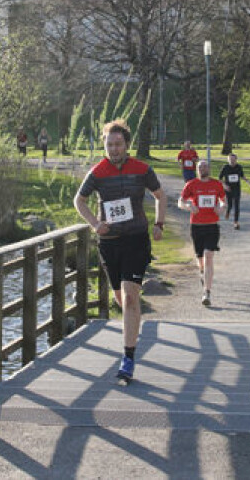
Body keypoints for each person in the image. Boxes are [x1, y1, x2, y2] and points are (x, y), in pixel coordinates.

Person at [74, 119, 166, 381]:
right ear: (104, 145)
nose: (113, 149)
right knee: (120, 298)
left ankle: (128, 357)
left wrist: (159, 224)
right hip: (110, 242)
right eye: (109, 144)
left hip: (136, 239)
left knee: (129, 297)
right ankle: (133, 324)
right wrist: (94, 223)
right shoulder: (98, 172)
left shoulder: (141, 169)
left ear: (127, 145)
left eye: (118, 144)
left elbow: (160, 195)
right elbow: (79, 200)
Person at [178, 160, 226, 306]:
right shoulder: (191, 184)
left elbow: (224, 200)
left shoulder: (216, 184)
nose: (202, 169)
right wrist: (188, 206)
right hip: (196, 227)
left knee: (208, 257)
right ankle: (202, 273)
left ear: (209, 169)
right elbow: (180, 202)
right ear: (197, 169)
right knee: (200, 260)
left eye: (205, 166)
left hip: (212, 226)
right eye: (200, 167)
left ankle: (207, 292)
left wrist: (221, 207)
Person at [218, 153, 250, 230]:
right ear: (228, 160)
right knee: (230, 205)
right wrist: (224, 186)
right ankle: (228, 211)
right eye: (230, 160)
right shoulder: (225, 168)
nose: (232, 161)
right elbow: (219, 179)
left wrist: (246, 180)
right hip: (228, 188)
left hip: (237, 188)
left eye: (233, 159)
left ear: (236, 160)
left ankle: (236, 222)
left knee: (237, 205)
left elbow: (242, 175)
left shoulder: (239, 167)